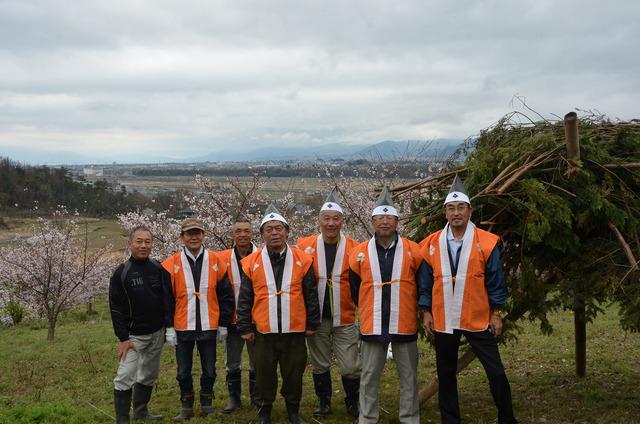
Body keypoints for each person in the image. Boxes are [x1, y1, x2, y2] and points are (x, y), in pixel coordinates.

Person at [419, 175, 518, 424]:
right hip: (444, 317)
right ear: (445, 213)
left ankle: (507, 418)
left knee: (495, 371)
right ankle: (450, 420)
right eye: (451, 208)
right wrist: (426, 311)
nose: (456, 213)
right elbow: (425, 282)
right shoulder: (431, 244)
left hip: (477, 316)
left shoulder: (485, 242)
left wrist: (496, 313)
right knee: (446, 372)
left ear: (470, 211)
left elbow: (496, 279)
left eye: (461, 207)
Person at [236, 204, 321, 424]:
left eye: (278, 228)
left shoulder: (303, 260)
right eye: (269, 229)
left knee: (294, 373)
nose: (274, 233)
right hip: (263, 329)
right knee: (264, 373)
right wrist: (244, 326)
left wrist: (312, 323)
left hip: (294, 328)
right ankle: (265, 411)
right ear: (262, 234)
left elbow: (310, 293)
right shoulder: (251, 263)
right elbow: (245, 297)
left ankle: (293, 410)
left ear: (287, 231)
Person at [349, 186, 426, 424]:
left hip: (404, 321)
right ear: (372, 221)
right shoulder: (358, 253)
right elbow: (355, 289)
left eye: (389, 217)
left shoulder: (414, 251)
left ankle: (410, 418)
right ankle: (368, 418)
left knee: (409, 376)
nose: (384, 222)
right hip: (372, 322)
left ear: (397, 221)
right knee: (370, 375)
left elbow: (422, 286)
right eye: (379, 218)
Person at [162, 218, 235, 420]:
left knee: (210, 369)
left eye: (197, 233)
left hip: (210, 323)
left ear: (204, 235)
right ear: (182, 237)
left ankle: (207, 402)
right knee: (183, 371)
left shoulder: (217, 261)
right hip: (182, 324)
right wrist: (169, 327)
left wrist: (223, 324)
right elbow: (166, 299)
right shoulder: (170, 264)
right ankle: (186, 405)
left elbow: (226, 295)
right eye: (189, 233)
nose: (194, 237)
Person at [296, 189, 360, 418]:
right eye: (327, 218)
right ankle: (324, 401)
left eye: (336, 219)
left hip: (345, 315)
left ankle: (353, 401)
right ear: (319, 220)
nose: (331, 223)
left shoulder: (355, 247)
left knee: (350, 365)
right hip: (317, 317)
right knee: (320, 363)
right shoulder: (304, 246)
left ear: (342, 221)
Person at [109, 225, 168, 424]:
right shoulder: (122, 273)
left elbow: (166, 299)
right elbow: (115, 308)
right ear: (130, 244)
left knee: (149, 374)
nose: (143, 246)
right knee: (124, 376)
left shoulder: (158, 268)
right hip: (133, 337)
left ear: (152, 244)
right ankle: (122, 419)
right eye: (139, 241)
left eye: (147, 242)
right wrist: (123, 338)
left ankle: (141, 411)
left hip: (157, 333)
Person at [217, 219, 258, 413]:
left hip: (257, 318)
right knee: (232, 361)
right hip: (232, 319)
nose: (242, 235)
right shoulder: (222, 257)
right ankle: (234, 398)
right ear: (232, 235)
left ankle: (256, 397)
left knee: (256, 360)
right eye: (238, 231)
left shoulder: (261, 255)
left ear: (252, 234)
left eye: (247, 231)